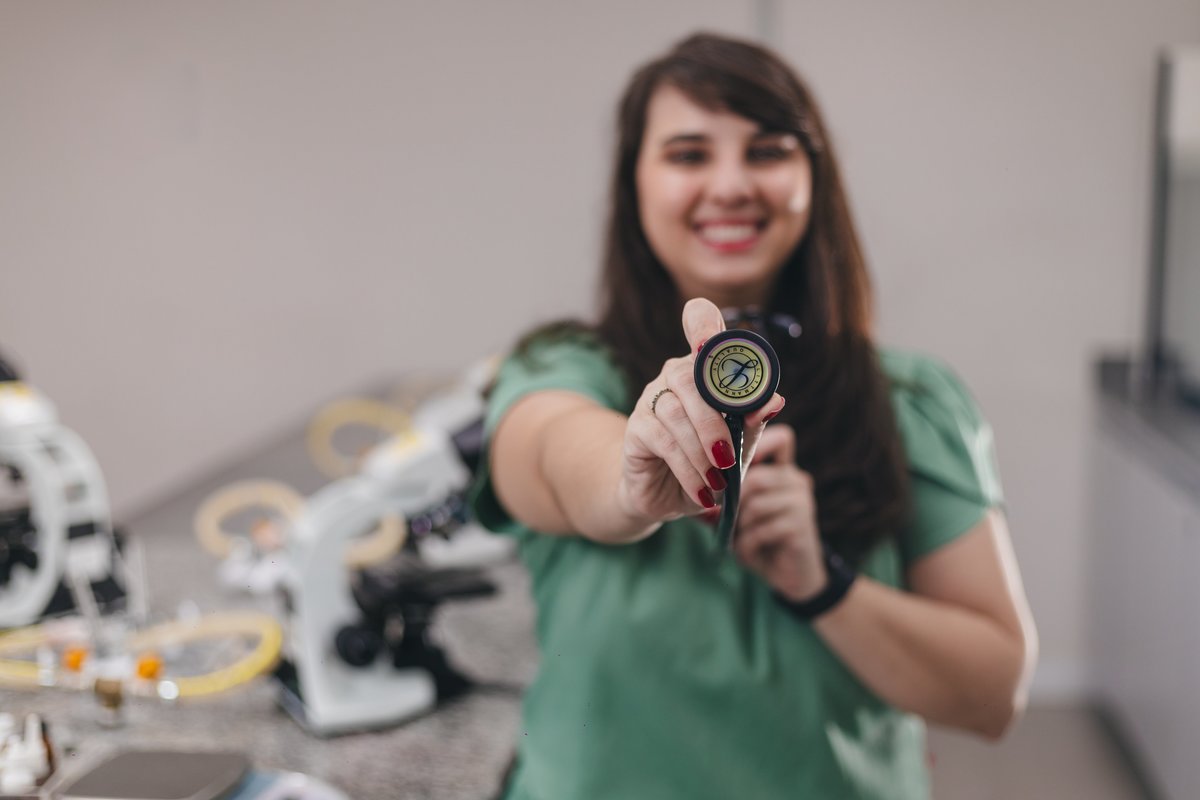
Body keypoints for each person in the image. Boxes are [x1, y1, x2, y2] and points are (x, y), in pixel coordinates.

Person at [469, 32, 1038, 800]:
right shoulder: (563, 368)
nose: (732, 184)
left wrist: (818, 580)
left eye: (768, 150)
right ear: (634, 182)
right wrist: (634, 478)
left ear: (814, 176)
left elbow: (993, 694)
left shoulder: (909, 401)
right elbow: (552, 452)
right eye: (689, 154)